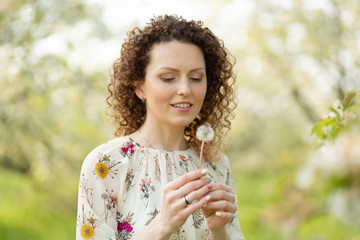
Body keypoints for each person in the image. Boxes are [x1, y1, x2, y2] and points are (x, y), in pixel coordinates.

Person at [76, 15, 245, 240]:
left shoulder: (216, 165)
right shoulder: (105, 165)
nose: (185, 89)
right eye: (168, 78)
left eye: (196, 78)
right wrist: (162, 226)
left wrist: (218, 230)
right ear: (139, 86)